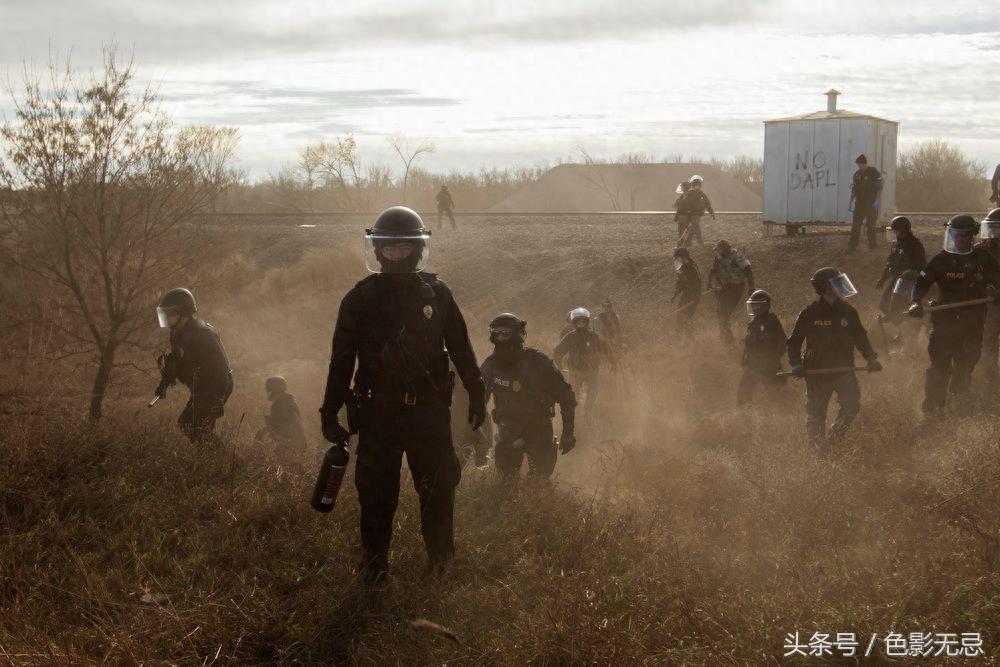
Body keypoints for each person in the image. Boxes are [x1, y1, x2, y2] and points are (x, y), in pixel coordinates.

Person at [319, 206, 486, 583]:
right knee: (376, 496)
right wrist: (329, 412)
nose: (395, 254)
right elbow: (341, 362)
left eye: (403, 247)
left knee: (438, 491)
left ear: (416, 248)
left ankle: (441, 566)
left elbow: (461, 347)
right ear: (377, 250)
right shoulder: (358, 299)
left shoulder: (438, 294)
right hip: (378, 414)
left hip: (428, 413)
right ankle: (374, 569)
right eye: (388, 247)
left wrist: (477, 391)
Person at [907, 214, 1000, 417]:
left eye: (963, 236)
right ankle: (932, 408)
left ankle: (958, 404)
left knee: (966, 365)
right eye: (955, 235)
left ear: (972, 236)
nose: (958, 239)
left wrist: (995, 292)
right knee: (939, 366)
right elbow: (921, 284)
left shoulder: (983, 258)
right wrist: (915, 302)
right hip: (944, 321)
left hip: (973, 322)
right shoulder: (941, 259)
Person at [787, 267, 881, 448]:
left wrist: (871, 358)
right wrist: (796, 364)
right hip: (816, 372)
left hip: (844, 369)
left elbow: (860, 337)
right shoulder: (809, 313)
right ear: (825, 288)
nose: (841, 286)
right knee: (816, 415)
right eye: (836, 283)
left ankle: (833, 440)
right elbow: (794, 342)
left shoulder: (849, 311)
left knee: (851, 406)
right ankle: (818, 450)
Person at [480, 313, 577, 479]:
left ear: (518, 334)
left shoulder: (538, 362)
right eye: (497, 333)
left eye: (506, 333)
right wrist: (478, 437)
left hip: (539, 429)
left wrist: (568, 432)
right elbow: (477, 402)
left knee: (540, 481)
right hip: (508, 430)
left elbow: (566, 395)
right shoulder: (490, 365)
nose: (501, 338)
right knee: (506, 483)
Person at [154, 288, 233, 446]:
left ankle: (230, 464)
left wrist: (218, 398)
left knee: (197, 427)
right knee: (188, 425)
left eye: (171, 313)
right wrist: (163, 384)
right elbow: (176, 360)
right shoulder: (176, 333)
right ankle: (212, 462)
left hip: (217, 384)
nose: (167, 317)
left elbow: (221, 367)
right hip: (201, 385)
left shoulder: (203, 334)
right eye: (165, 313)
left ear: (184, 312)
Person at [553, 307, 614, 420]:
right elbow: (558, 351)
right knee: (574, 394)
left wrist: (613, 362)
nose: (581, 324)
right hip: (576, 371)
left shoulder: (593, 336)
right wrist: (558, 365)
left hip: (592, 370)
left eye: (583, 321)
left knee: (592, 393)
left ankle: (588, 413)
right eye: (578, 321)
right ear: (574, 323)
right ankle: (575, 414)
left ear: (587, 322)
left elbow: (606, 348)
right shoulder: (570, 337)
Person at [737, 290, 787, 406]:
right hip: (754, 365)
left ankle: (779, 417)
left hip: (769, 366)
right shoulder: (753, 323)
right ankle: (747, 416)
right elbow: (750, 344)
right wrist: (745, 357)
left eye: (757, 305)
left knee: (776, 396)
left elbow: (782, 342)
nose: (755, 308)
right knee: (744, 392)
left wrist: (772, 359)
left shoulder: (772, 321)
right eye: (753, 305)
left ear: (765, 306)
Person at [876, 216, 926, 319]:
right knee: (884, 305)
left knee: (898, 307)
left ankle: (905, 329)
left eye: (896, 231)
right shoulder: (895, 244)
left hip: (908, 281)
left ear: (903, 230)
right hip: (895, 279)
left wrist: (921, 278)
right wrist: (882, 279)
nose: (894, 233)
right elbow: (889, 263)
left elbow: (923, 267)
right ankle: (899, 325)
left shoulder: (915, 245)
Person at [707, 240, 755, 344]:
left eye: (720, 250)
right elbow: (714, 271)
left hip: (737, 287)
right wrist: (711, 285)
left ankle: (728, 340)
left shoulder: (737, 256)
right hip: (725, 287)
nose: (718, 252)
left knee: (724, 312)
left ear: (725, 249)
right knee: (720, 312)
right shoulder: (718, 258)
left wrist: (751, 287)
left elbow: (748, 271)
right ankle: (724, 336)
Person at [255, 376, 308, 458]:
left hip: (292, 445)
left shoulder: (281, 405)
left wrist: (265, 431)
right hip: (295, 444)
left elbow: (279, 428)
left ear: (273, 390)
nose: (267, 392)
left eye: (268, 389)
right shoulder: (286, 401)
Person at [978, 209, 1000, 385]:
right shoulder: (979, 250)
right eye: (989, 227)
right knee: (988, 339)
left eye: (996, 228)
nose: (991, 232)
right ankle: (989, 374)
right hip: (990, 304)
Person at [847, 153, 883, 252]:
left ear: (864, 163)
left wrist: (877, 200)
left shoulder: (873, 172)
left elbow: (879, 187)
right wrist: (851, 202)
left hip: (871, 203)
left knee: (871, 226)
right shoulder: (857, 174)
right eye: (857, 165)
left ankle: (873, 246)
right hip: (859, 204)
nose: (858, 166)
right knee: (855, 226)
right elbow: (854, 189)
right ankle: (852, 247)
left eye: (860, 164)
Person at [671, 247, 702, 336]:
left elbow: (698, 283)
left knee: (687, 315)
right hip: (687, 294)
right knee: (680, 314)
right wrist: (675, 295)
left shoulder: (692, 267)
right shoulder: (683, 268)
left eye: (678, 259)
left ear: (684, 257)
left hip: (693, 295)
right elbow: (680, 282)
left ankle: (689, 336)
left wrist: (696, 295)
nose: (677, 261)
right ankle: (679, 335)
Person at [678, 175, 715, 246]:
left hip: (697, 214)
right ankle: (681, 244)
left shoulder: (702, 194)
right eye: (695, 186)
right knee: (685, 229)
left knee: (695, 226)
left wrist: (711, 212)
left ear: (700, 186)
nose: (697, 187)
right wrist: (682, 212)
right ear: (692, 186)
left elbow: (707, 204)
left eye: (698, 186)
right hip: (688, 214)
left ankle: (700, 243)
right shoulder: (688, 193)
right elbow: (683, 203)